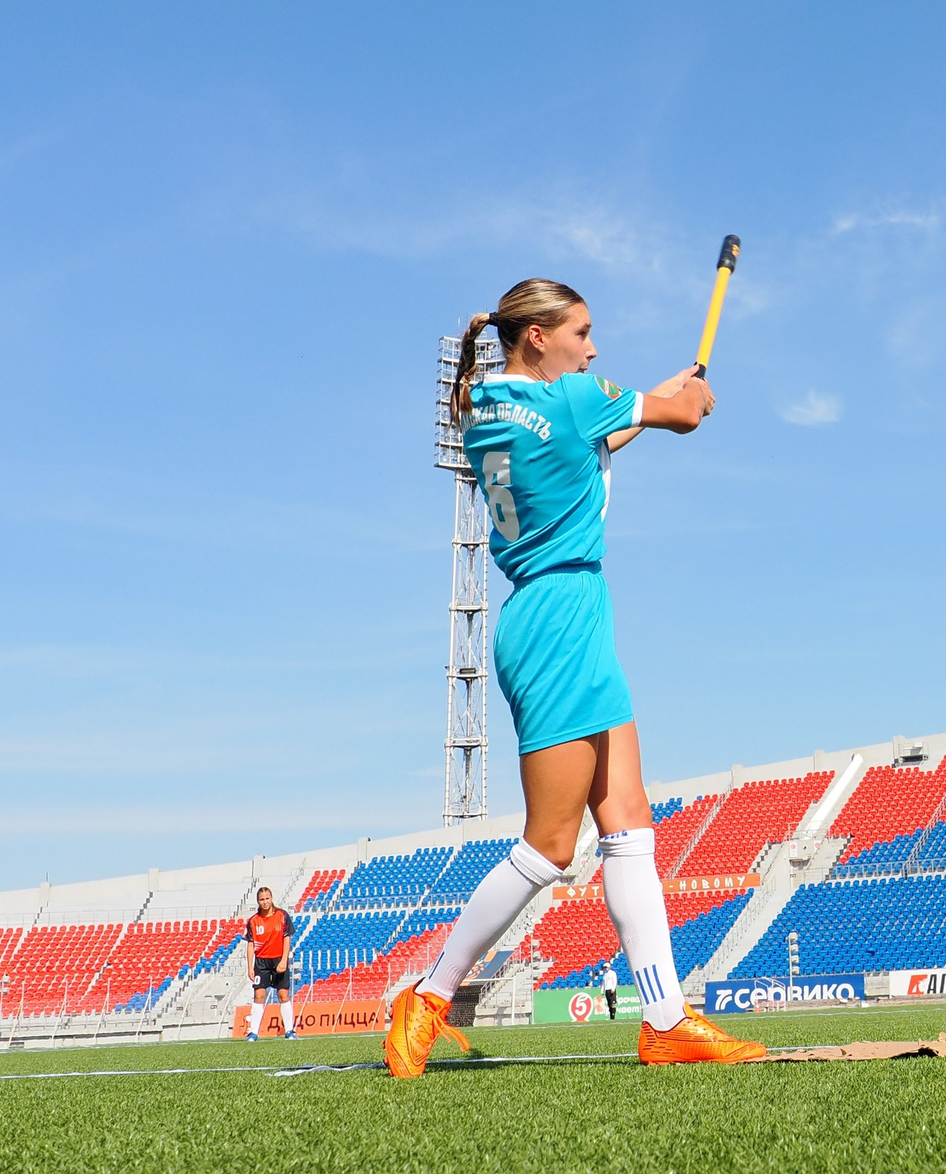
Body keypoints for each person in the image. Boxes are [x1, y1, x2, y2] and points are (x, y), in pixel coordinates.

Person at [383, 279, 767, 1076]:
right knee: (552, 844)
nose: (593, 348)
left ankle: (664, 1019)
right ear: (537, 339)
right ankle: (427, 994)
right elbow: (678, 416)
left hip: (558, 608)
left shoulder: (488, 404)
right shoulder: (577, 400)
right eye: (582, 332)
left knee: (628, 818)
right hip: (560, 616)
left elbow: (588, 441)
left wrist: (655, 396)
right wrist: (688, 395)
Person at [244, 886, 296, 1041]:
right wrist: (250, 967)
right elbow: (250, 944)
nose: (265, 902)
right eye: (262, 899)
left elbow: (287, 939)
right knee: (259, 995)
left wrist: (284, 960)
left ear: (272, 898)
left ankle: (290, 1031)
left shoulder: (282, 916)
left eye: (267, 898)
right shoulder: (253, 921)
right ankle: (253, 1033)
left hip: (279, 959)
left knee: (283, 994)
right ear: (258, 901)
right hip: (261, 962)